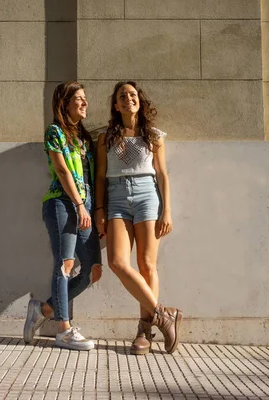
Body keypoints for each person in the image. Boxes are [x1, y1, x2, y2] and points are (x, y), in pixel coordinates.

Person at [94, 81, 182, 355]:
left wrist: (166, 209)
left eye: (132, 95)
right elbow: (99, 176)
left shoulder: (154, 135)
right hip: (117, 198)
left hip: (147, 195)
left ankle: (144, 331)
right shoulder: (106, 137)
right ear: (116, 105)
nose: (128, 99)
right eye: (123, 96)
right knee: (118, 262)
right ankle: (164, 315)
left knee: (147, 265)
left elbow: (162, 174)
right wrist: (99, 209)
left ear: (139, 101)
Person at [23, 81, 102, 351]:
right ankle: (63, 330)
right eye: (78, 99)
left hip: (85, 206)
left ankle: (43, 309)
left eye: (85, 98)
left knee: (93, 270)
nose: (85, 103)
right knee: (65, 265)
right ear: (64, 103)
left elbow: (92, 177)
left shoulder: (84, 138)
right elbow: (62, 171)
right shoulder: (55, 132)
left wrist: (93, 209)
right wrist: (79, 205)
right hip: (61, 203)